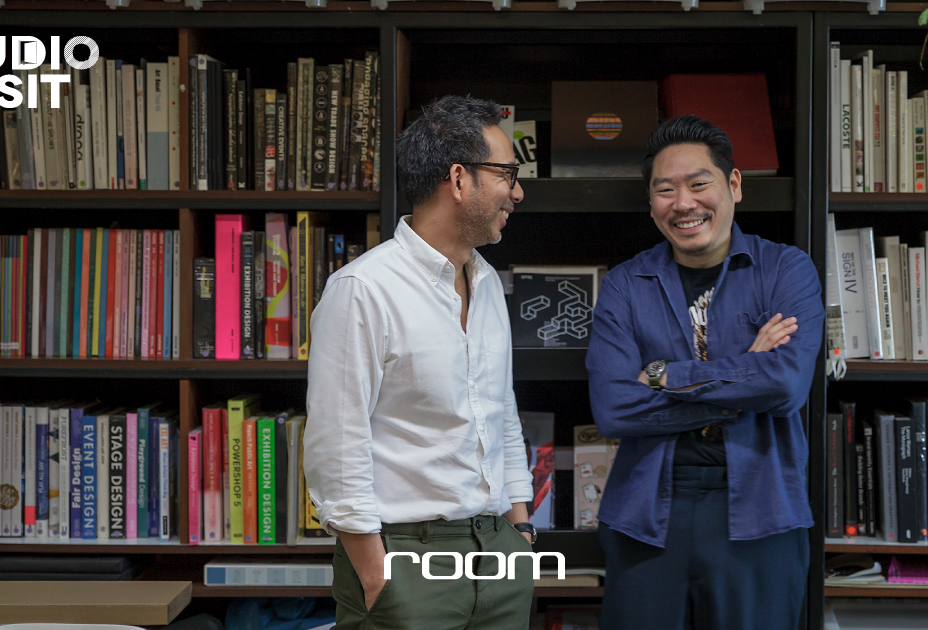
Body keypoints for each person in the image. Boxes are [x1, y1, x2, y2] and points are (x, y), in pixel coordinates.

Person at [303, 95, 537, 630]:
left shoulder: (486, 283)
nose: (517, 191)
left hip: (498, 552)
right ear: (458, 179)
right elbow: (337, 444)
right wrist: (377, 575)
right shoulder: (362, 289)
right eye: (506, 174)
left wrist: (520, 531)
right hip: (405, 559)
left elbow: (500, 412)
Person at [585, 114, 823, 630]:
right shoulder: (626, 285)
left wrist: (662, 375)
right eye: (665, 190)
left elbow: (785, 384)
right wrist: (747, 376)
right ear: (651, 202)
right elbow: (613, 407)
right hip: (647, 516)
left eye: (698, 184)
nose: (683, 203)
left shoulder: (785, 269)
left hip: (762, 512)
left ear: (733, 184)